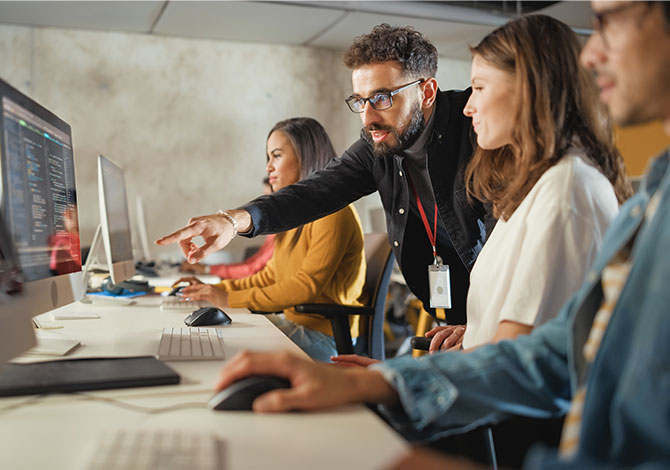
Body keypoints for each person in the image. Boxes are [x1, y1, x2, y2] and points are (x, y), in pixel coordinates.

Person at [213, 3, 670, 469]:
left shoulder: (560, 186)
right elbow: (551, 350)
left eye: (478, 87)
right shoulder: (590, 193)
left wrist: (403, 381)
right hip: (464, 356)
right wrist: (400, 378)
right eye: (361, 101)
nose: (469, 104)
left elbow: (539, 359)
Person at [334, 14, 630, 361]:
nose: (468, 105)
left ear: (529, 92)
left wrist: (388, 379)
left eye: (479, 87)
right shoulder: (527, 189)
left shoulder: (564, 192)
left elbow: (512, 362)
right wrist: (472, 330)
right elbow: (502, 327)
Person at [157, 24, 494, 325]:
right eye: (360, 101)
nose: (367, 118)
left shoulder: (479, 132)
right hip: (452, 319)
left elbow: (512, 249)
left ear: (427, 92)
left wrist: (486, 324)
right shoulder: (378, 144)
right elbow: (313, 192)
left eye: (381, 98)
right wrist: (233, 221)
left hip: (497, 312)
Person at [174, 117, 366, 362]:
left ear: (306, 157)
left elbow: (305, 286)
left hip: (324, 338)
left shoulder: (336, 212)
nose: (268, 168)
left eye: (276, 156)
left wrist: (229, 299)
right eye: (268, 158)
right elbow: (271, 275)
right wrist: (214, 290)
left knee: (223, 350)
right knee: (206, 341)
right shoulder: (292, 217)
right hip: (295, 325)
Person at [179, 178, 275, 279]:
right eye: (263, 198)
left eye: (268, 198)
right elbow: (252, 264)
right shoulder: (272, 232)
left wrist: (206, 269)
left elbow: (252, 269)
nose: (263, 204)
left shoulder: (282, 233)